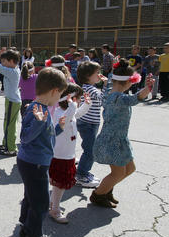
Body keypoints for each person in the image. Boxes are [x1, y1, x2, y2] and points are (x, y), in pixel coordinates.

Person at [17, 67, 68, 237]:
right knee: (40, 203)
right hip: (34, 163)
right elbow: (26, 137)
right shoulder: (37, 111)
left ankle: (27, 228)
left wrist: (59, 128)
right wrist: (39, 122)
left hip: (33, 161)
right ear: (54, 91)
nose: (59, 98)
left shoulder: (40, 108)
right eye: (60, 94)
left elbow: (46, 136)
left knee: (31, 197)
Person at [90, 59, 153, 207]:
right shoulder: (119, 98)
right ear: (128, 82)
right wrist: (148, 87)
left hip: (119, 139)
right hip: (111, 141)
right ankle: (98, 195)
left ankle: (106, 190)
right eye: (132, 81)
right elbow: (135, 98)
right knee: (117, 173)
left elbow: (115, 86)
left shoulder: (109, 92)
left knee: (130, 169)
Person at [48, 84, 91, 223]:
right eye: (77, 99)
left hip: (68, 154)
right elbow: (65, 122)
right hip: (60, 156)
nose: (78, 101)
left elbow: (77, 114)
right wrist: (72, 107)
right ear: (69, 99)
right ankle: (55, 209)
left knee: (58, 185)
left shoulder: (69, 112)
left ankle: (52, 203)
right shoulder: (59, 113)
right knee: (60, 184)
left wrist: (86, 105)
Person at [75, 61, 106, 188]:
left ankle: (83, 172)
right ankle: (81, 174)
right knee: (90, 150)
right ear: (88, 76)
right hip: (89, 123)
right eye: (97, 73)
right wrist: (106, 83)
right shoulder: (91, 89)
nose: (99, 75)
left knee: (89, 148)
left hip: (88, 122)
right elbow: (104, 99)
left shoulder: (87, 87)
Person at [0, 49, 21, 156]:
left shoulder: (11, 71)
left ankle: (11, 148)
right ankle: (6, 144)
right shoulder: (13, 69)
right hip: (12, 100)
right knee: (7, 124)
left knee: (9, 126)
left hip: (12, 101)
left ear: (11, 61)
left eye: (4, 61)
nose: (2, 63)